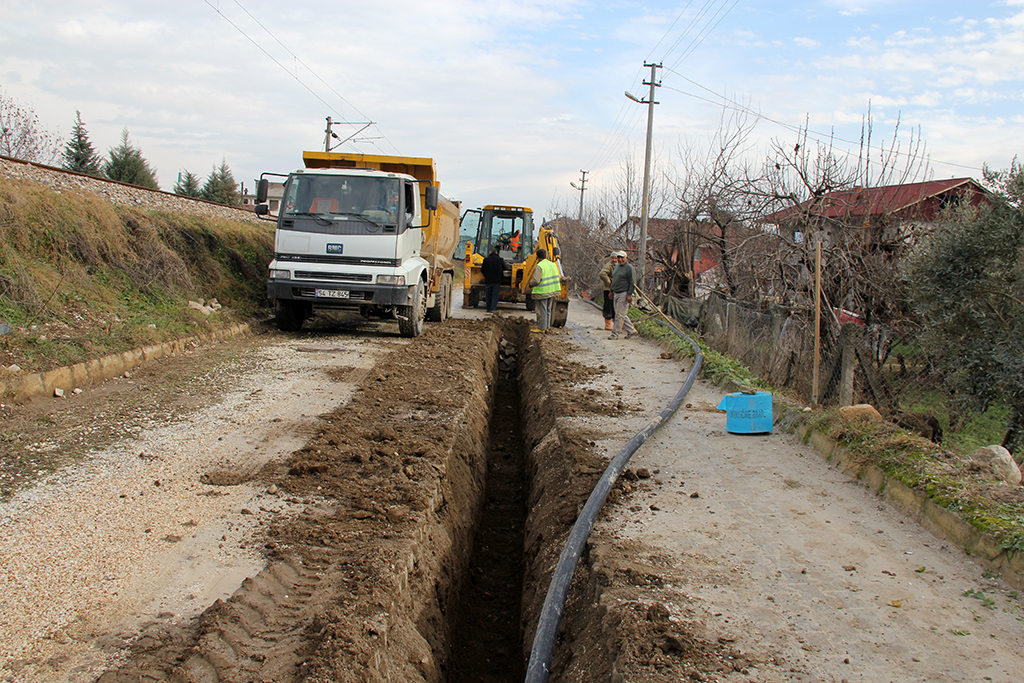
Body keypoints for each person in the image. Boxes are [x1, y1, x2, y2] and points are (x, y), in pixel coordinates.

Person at [529, 248, 562, 332]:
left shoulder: (539, 266)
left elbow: (536, 280)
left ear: (537, 256)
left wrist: (530, 283)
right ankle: (547, 327)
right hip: (552, 291)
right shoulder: (553, 265)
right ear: (546, 255)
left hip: (542, 291)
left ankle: (541, 328)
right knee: (548, 310)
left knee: (541, 310)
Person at [608, 250, 638, 340]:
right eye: (619, 258)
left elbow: (632, 282)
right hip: (616, 292)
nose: (620, 259)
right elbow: (614, 280)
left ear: (626, 258)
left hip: (624, 293)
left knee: (619, 315)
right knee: (620, 314)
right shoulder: (617, 267)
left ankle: (615, 334)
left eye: (622, 258)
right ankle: (632, 331)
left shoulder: (629, 268)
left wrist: (629, 294)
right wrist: (611, 291)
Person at [482, 247, 504, 313]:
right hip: (497, 281)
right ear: (497, 253)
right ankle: (493, 308)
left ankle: (488, 308)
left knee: (488, 294)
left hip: (488, 280)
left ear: (490, 252)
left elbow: (482, 269)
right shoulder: (500, 260)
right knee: (495, 294)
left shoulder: (486, 260)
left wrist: (486, 275)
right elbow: (504, 268)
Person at [598, 254, 616, 331]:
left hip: (616, 290)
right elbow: (602, 274)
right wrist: (608, 282)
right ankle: (608, 325)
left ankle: (616, 325)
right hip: (608, 289)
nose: (614, 260)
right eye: (613, 258)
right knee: (608, 306)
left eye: (616, 258)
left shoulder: (618, 266)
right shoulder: (609, 266)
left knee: (615, 308)